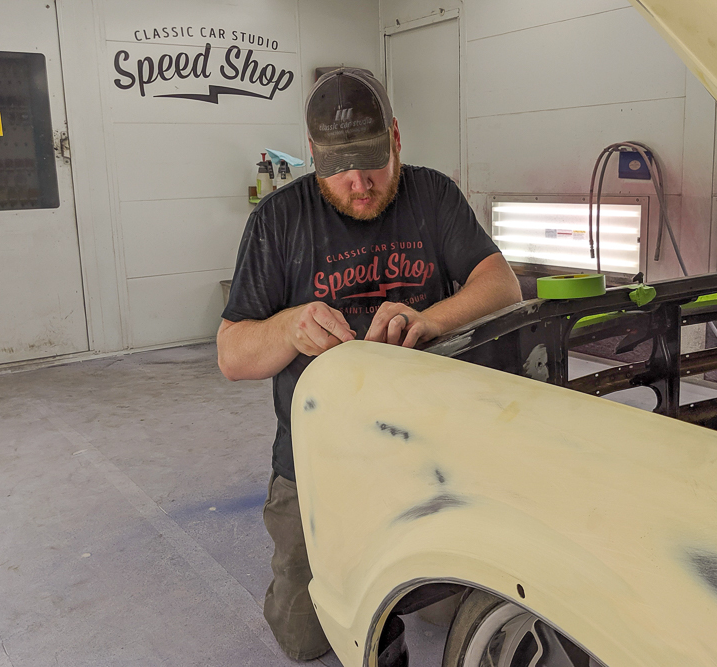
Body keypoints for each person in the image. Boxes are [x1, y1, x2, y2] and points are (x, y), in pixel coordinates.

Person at [216, 68, 522, 662]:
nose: (359, 183)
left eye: (372, 162)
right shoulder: (278, 220)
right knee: (307, 639)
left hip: (428, 451)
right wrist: (289, 326)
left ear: (396, 138)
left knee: (458, 598)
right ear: (312, 154)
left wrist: (430, 318)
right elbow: (232, 356)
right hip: (316, 460)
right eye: (339, 167)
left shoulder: (432, 195)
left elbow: (501, 284)